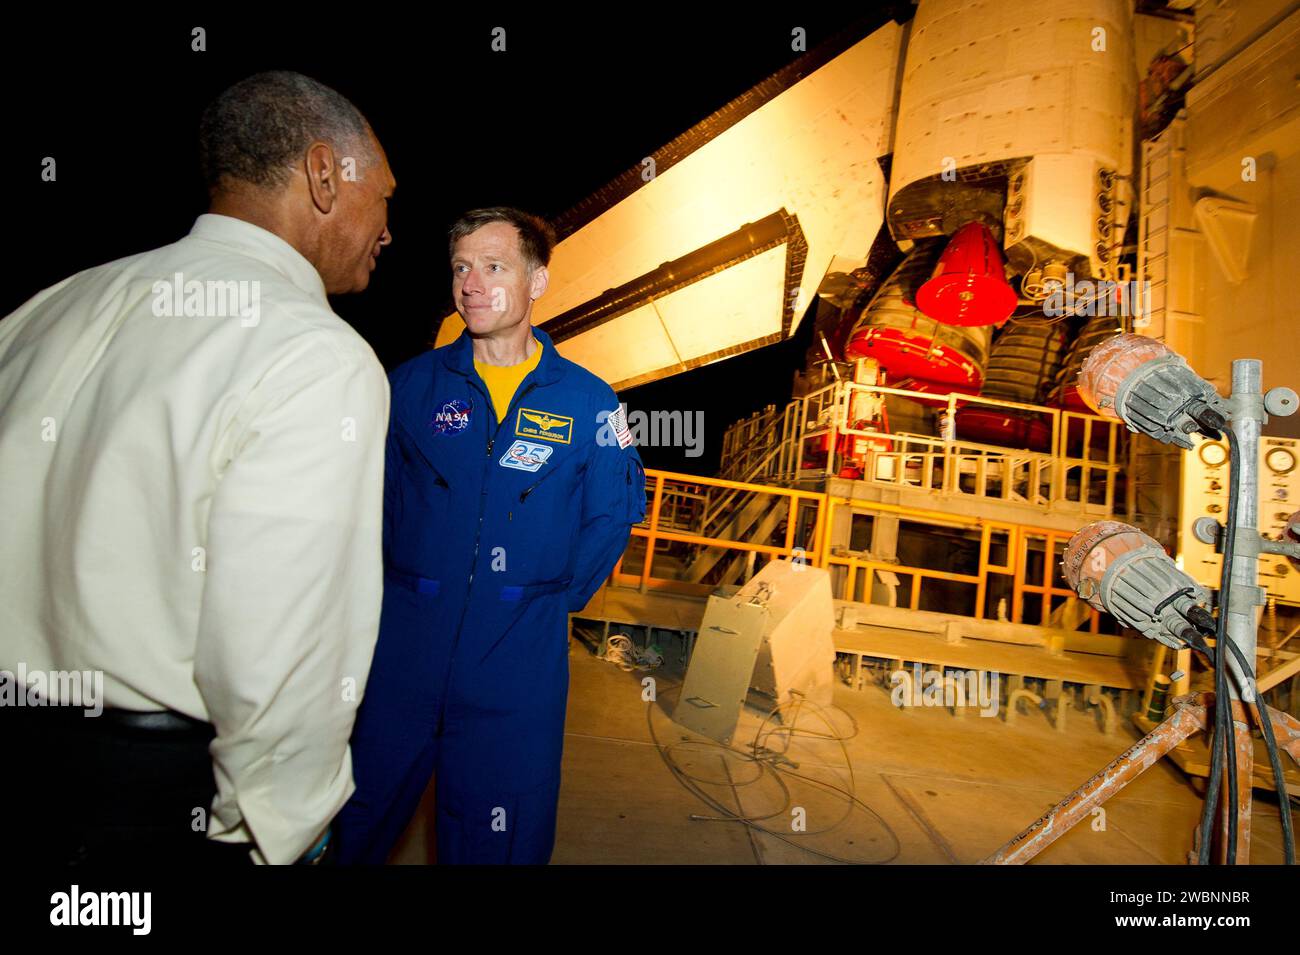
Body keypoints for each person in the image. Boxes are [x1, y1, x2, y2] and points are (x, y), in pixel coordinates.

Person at [0, 71, 395, 865]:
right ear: (325, 175)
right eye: (384, 197)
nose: (389, 229)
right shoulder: (317, 357)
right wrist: (279, 828)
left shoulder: (46, 308)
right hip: (146, 802)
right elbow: (279, 655)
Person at [335, 207, 647, 864]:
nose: (471, 284)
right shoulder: (412, 386)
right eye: (461, 268)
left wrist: (544, 599)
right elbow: (367, 502)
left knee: (498, 838)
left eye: (494, 266)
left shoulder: (590, 402)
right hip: (402, 652)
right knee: (351, 818)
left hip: (518, 664)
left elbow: (613, 511)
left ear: (537, 281)